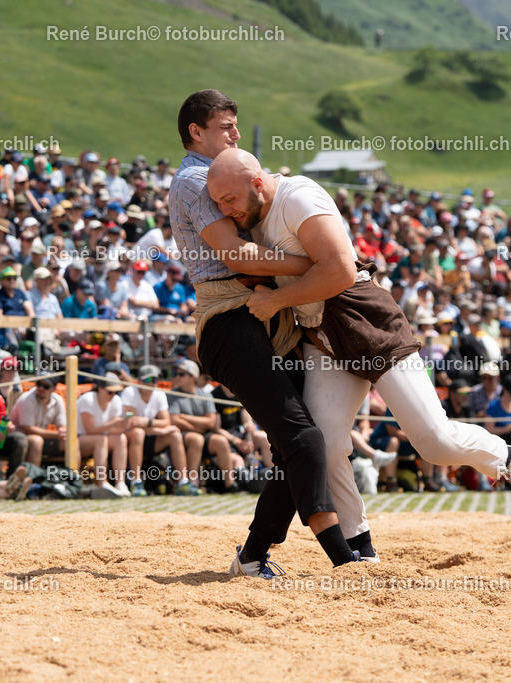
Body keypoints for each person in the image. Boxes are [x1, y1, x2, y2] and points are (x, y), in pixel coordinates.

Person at [207, 148, 511, 514]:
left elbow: (338, 272)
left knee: (434, 442)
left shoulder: (298, 196)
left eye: (229, 200)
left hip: (365, 319)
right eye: (218, 203)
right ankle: (358, 548)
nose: (226, 210)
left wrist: (275, 301)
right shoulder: (249, 217)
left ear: (257, 183)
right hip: (319, 336)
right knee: (325, 444)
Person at [170, 90, 361, 574]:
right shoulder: (198, 181)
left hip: (261, 313)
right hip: (230, 316)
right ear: (197, 132)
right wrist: (320, 263)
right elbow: (236, 257)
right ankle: (344, 558)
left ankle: (253, 557)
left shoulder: (220, 176)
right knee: (304, 440)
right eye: (225, 127)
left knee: (297, 446)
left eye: (236, 126)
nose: (235, 134)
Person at [121, 363, 199, 496]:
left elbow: (166, 422)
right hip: (131, 438)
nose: (152, 383)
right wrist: (157, 428)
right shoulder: (130, 392)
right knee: (138, 433)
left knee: (175, 434)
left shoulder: (159, 394)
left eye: (155, 380)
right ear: (139, 381)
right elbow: (133, 424)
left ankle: (183, 482)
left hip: (150, 437)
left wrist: (149, 422)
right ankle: (136, 482)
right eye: (148, 380)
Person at [167, 359, 238, 493]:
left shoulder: (205, 395)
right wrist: (198, 426)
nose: (177, 376)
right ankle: (191, 482)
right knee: (196, 439)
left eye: (181, 374)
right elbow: (174, 420)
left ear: (193, 377)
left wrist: (185, 417)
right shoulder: (173, 394)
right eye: (176, 373)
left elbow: (210, 422)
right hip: (182, 436)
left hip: (199, 434)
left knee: (221, 441)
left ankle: (230, 484)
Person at [76, 372, 132, 497]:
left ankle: (120, 483)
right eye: (110, 392)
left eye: (115, 392)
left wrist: (124, 426)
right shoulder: (87, 399)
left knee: (121, 439)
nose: (113, 395)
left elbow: (113, 431)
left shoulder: (116, 400)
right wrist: (112, 425)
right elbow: (90, 429)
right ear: (100, 388)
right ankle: (102, 482)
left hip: (100, 439)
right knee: (100, 439)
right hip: (78, 441)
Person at [11, 374, 66, 467]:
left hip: (41, 438)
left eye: (46, 386)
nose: (41, 388)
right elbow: (28, 429)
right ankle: (33, 478)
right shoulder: (27, 399)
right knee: (36, 441)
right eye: (39, 384)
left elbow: (62, 426)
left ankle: (73, 475)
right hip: (18, 439)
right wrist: (57, 434)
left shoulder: (58, 400)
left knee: (71, 440)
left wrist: (63, 432)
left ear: (54, 388)